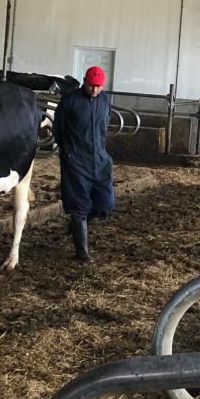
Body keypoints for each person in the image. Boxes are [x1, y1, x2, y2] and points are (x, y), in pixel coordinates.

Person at [53, 65, 115, 263]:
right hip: (77, 160)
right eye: (91, 86)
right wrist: (69, 153)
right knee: (79, 205)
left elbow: (104, 126)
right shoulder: (70, 100)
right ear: (84, 82)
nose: (95, 90)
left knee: (106, 203)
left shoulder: (105, 100)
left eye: (98, 87)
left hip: (100, 159)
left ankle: (77, 225)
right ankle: (82, 252)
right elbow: (59, 129)